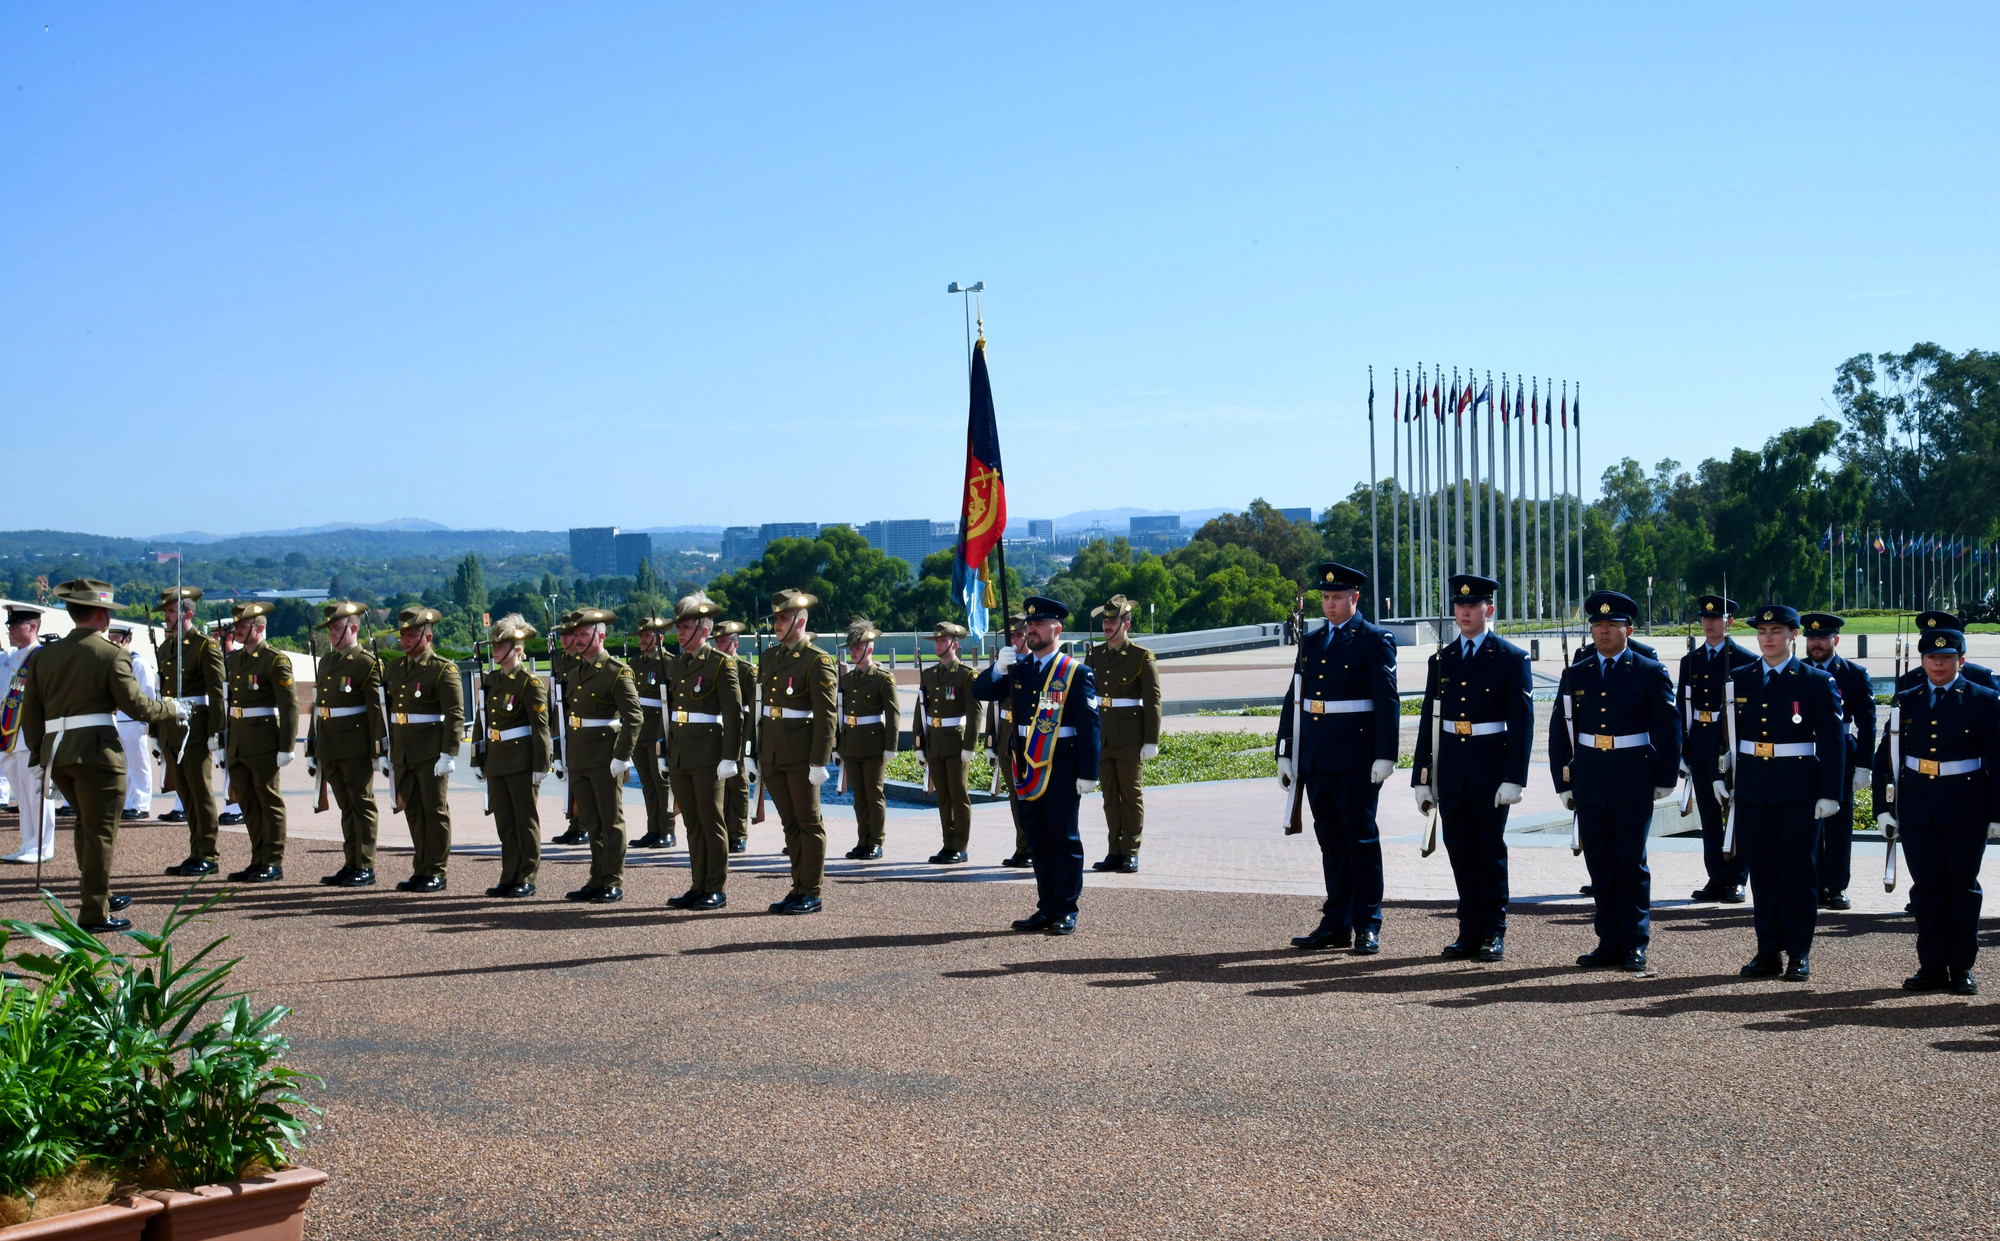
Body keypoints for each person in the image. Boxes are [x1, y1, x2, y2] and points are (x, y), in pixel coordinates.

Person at [18, 580, 186, 932]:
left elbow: (30, 713)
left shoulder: (44, 655)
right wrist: (171, 708)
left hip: (59, 755)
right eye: (108, 611)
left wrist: (38, 756)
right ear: (99, 613)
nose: (109, 617)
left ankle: (99, 894)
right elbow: (137, 706)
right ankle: (94, 911)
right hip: (97, 755)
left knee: (85, 826)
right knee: (99, 834)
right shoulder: (111, 653)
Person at [1548, 590, 1680, 972]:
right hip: (1590, 774)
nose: (1603, 632)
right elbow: (1560, 729)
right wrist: (1564, 780)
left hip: (1632, 774)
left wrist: (1666, 776)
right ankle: (1608, 940)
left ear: (1628, 629)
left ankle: (1635, 942)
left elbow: (1668, 726)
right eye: (1597, 625)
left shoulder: (1647, 670)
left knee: (1630, 862)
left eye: (1611, 625)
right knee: (1599, 862)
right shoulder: (1577, 673)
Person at [1275, 563, 1399, 953]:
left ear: (1354, 599)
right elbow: (1294, 698)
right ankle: (1336, 921)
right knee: (1331, 841)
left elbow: (1387, 701)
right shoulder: (1311, 643)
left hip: (1357, 758)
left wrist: (1386, 755)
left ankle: (1366, 922)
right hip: (1317, 756)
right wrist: (1285, 749)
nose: (1330, 605)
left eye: (1337, 598)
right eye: (1326, 598)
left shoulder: (1374, 639)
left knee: (1360, 841)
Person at [1717, 603, 1843, 982]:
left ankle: (1799, 953)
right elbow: (1723, 735)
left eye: (1776, 632)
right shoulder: (1739, 678)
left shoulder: (1814, 681)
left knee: (1799, 873)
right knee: (1764, 872)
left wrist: (1830, 792)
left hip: (1798, 789)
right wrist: (1719, 774)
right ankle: (1767, 950)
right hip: (1754, 786)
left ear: (1794, 636)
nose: (1768, 638)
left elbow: (1834, 740)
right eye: (1762, 632)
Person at [1411, 574, 1533, 962]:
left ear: (1489, 610)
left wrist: (1514, 777)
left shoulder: (1510, 658)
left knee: (1489, 850)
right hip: (1453, 767)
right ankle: (1468, 929)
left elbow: (1522, 723)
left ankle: (1493, 931)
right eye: (1459, 606)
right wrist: (1423, 777)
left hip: (1489, 767)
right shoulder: (1443, 659)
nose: (1464, 612)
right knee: (1459, 849)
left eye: (1472, 606)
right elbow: (1430, 719)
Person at [1875, 626, 2000, 996]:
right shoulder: (1907, 700)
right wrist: (1884, 807)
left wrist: (1997, 813)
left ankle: (1961, 967)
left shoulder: (1984, 699)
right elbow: (1887, 758)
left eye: (1947, 658)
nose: (1938, 664)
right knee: (1927, 888)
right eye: (1932, 657)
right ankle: (1931, 966)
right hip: (1917, 805)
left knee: (1961, 887)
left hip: (1966, 804)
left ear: (1961, 660)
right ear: (1923, 661)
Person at [974, 595, 1100, 935]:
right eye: (1028, 625)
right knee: (1038, 839)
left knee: (1064, 838)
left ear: (1056, 629)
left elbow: (1090, 725)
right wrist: (997, 669)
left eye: (1037, 625)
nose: (1030, 629)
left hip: (1061, 764)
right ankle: (1046, 907)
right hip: (1026, 764)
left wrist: (1089, 772)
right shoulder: (1019, 668)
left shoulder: (1074, 672)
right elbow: (979, 692)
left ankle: (1066, 909)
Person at [755, 589, 837, 914]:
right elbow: (761, 708)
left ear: (800, 621)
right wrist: (754, 752)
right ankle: (797, 886)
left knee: (808, 822)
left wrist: (820, 760)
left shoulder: (817, 660)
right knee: (789, 824)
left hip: (802, 754)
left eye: (783, 618)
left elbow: (827, 714)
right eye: (775, 618)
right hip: (773, 751)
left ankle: (811, 891)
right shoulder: (770, 657)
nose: (777, 623)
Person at [554, 607, 641, 902]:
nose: (578, 639)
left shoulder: (616, 671)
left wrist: (622, 754)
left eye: (584, 634)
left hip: (605, 755)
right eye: (575, 634)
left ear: (600, 635)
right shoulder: (575, 671)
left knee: (610, 821)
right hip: (580, 755)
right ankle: (597, 876)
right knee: (591, 820)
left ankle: (613, 879)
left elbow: (634, 716)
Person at [663, 593, 742, 911]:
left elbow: (734, 714)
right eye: (678, 628)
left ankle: (715, 887)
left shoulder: (720, 664)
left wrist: (730, 756)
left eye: (685, 627)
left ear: (704, 631)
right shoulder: (679, 663)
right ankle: (698, 884)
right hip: (682, 754)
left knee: (711, 822)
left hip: (709, 755)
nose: (679, 633)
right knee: (691, 823)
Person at [1680, 594, 1757, 904]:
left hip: (1730, 742)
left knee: (1736, 810)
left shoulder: (1745, 660)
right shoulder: (1691, 661)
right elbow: (1681, 708)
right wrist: (1682, 749)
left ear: (1730, 622)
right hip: (1701, 739)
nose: (1709, 622)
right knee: (1709, 814)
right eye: (1705, 617)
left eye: (1717, 617)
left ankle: (1737, 877)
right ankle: (1715, 876)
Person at [382, 605, 465, 893]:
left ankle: (437, 871)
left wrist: (449, 753)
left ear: (427, 637)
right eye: (402, 635)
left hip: (431, 753)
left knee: (435, 811)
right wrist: (385, 751)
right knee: (414, 811)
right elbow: (388, 713)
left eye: (411, 635)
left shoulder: (443, 669)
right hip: (404, 752)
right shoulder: (393, 669)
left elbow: (455, 714)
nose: (404, 640)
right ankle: (421, 867)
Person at [1799, 611, 1877, 911]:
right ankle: (1813, 884)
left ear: (1836, 640)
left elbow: (1867, 723)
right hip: (1805, 752)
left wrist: (1865, 766)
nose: (1816, 643)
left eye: (1822, 637)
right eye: (1812, 638)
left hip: (1841, 752)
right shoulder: (1799, 671)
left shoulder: (1854, 674)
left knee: (1839, 826)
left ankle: (1837, 887)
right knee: (1807, 822)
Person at [309, 600, 386, 887]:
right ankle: (351, 861)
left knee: (361, 804)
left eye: (337, 628)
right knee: (346, 807)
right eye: (330, 628)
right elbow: (319, 707)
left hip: (355, 747)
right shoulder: (327, 662)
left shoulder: (366, 664)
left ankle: (365, 865)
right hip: (330, 745)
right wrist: (313, 745)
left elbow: (376, 711)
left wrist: (379, 749)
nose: (332, 633)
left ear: (353, 629)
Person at [221, 601, 299, 883]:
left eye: (243, 626)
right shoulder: (236, 660)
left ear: (260, 627)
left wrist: (286, 746)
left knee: (268, 800)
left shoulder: (274, 660)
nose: (237, 630)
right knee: (248, 803)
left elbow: (290, 706)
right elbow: (230, 704)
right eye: (238, 626)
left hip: (264, 739)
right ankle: (257, 858)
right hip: (240, 740)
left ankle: (273, 861)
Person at [476, 614, 550, 898]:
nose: (494, 650)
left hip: (521, 761)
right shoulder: (493, 680)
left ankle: (527, 876)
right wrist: (478, 759)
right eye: (493, 645)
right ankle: (508, 875)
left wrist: (541, 763)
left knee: (525, 821)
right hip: (497, 759)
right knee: (505, 822)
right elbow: (484, 721)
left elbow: (539, 726)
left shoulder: (528, 683)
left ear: (517, 649)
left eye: (500, 645)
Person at [1086, 595, 1161, 875]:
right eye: (1105, 620)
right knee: (1109, 796)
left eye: (1113, 620)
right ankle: (1114, 850)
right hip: (1102, 735)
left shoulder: (1142, 657)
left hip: (1130, 737)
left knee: (1130, 795)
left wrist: (1151, 740)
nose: (1107, 625)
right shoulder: (1094, 654)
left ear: (1125, 624)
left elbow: (1153, 700)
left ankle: (1131, 850)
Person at [155, 587, 227, 875]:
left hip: (195, 729)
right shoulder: (166, 648)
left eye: (171, 612)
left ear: (187, 613)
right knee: (185, 794)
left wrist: (215, 733)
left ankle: (207, 854)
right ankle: (196, 850)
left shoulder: (204, 646)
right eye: (166, 613)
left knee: (201, 792)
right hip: (172, 729)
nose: (167, 617)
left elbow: (217, 693)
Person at [918, 620, 980, 864]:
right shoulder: (929, 674)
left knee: (958, 795)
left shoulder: (966, 675)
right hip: (934, 742)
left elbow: (975, 713)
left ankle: (960, 846)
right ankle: (947, 843)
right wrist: (918, 744)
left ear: (954, 644)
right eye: (936, 640)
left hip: (956, 743)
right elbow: (922, 711)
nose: (938, 644)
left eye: (943, 640)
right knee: (942, 796)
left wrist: (970, 746)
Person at [836, 618, 899, 861]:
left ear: (869, 649)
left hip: (874, 744)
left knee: (874, 795)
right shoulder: (848, 679)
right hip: (851, 743)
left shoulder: (882, 678)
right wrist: (837, 744)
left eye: (857, 647)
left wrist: (890, 746)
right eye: (851, 648)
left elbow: (892, 713)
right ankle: (863, 840)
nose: (853, 652)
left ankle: (876, 841)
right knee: (859, 797)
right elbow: (840, 713)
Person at [0, 604, 52, 863]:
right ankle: (29, 843)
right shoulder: (9, 657)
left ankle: (44, 846)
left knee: (36, 792)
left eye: (15, 623)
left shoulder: (42, 656)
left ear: (32, 627)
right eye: (9, 623)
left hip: (31, 735)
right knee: (21, 794)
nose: (9, 627)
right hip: (8, 736)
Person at [628, 616, 678, 850]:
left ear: (659, 638)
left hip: (658, 730)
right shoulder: (635, 664)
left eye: (647, 636)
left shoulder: (668, 663)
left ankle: (667, 830)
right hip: (639, 732)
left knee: (662, 783)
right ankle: (653, 829)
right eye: (640, 636)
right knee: (647, 785)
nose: (642, 640)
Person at [714, 619, 757, 853]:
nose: (719, 645)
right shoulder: (712, 668)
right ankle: (722, 831)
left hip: (738, 734)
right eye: (717, 641)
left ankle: (738, 833)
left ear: (735, 645)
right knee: (718, 785)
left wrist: (749, 742)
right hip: (714, 733)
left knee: (737, 785)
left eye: (723, 642)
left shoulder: (745, 671)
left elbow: (752, 709)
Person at [106, 624, 156, 820]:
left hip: (135, 721)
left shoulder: (138, 663)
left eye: (116, 637)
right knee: (123, 765)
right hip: (118, 720)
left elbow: (148, 694)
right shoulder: (113, 662)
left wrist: (148, 722)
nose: (112, 641)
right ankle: (128, 802)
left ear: (127, 639)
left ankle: (142, 803)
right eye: (110, 637)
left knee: (139, 763)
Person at [994, 612, 1032, 868]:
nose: (1015, 639)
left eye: (1019, 634)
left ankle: (1033, 846)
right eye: (1011, 636)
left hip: (1031, 737)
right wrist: (991, 741)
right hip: (1006, 737)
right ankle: (1022, 847)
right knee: (1014, 797)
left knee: (1031, 797)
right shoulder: (1005, 665)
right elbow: (992, 704)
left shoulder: (1036, 664)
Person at [1898, 611, 1997, 691]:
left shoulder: (1981, 677)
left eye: (1947, 656)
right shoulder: (1908, 681)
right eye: (1931, 656)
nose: (1938, 662)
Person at [211, 612, 246, 827]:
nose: (215, 640)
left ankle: (237, 807)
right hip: (221, 717)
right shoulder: (220, 660)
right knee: (224, 763)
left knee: (233, 764)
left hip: (234, 717)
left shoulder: (235, 660)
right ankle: (230, 805)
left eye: (219, 636)